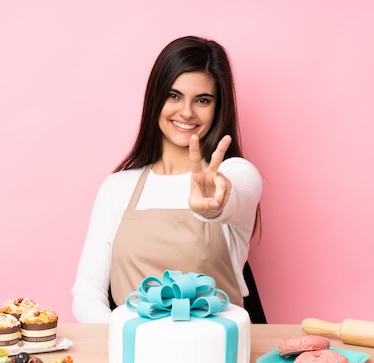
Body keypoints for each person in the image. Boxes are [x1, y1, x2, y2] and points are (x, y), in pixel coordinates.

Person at [71, 35, 262, 323]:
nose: (186, 112)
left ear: (218, 108)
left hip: (216, 360)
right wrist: (128, 344)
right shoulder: (117, 187)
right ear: (155, 98)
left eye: (202, 100)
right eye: (174, 96)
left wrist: (215, 206)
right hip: (133, 360)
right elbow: (87, 293)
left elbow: (236, 192)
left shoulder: (233, 175)